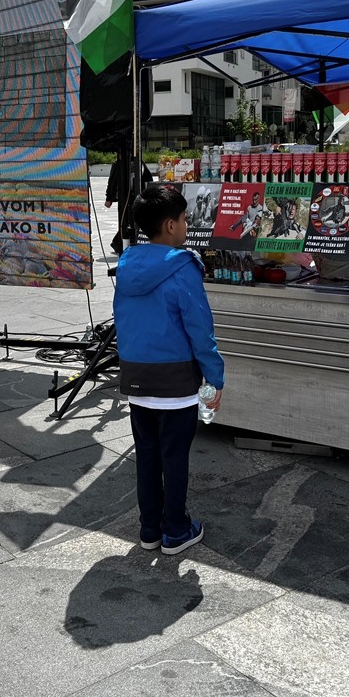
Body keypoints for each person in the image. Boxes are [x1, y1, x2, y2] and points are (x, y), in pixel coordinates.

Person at [114, 184, 224, 555]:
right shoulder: (183, 267)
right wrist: (215, 377)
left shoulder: (127, 265)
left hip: (137, 378)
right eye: (185, 218)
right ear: (170, 224)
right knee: (174, 458)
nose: (188, 224)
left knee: (146, 455)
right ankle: (176, 529)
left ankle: (149, 530)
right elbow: (200, 329)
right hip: (176, 383)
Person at [104, 156, 153, 254]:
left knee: (134, 219)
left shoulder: (140, 162)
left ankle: (120, 242)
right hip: (124, 196)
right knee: (125, 219)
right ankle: (118, 242)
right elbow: (112, 180)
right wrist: (109, 198)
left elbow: (148, 178)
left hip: (137, 194)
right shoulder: (118, 163)